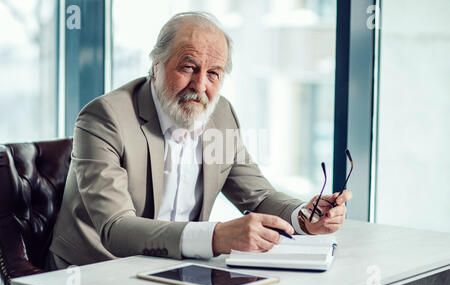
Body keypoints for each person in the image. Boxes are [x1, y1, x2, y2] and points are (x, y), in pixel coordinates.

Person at [48, 11, 352, 269]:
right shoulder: (105, 117)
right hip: (97, 271)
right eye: (188, 67)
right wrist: (216, 237)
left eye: (214, 73)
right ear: (156, 65)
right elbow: (116, 229)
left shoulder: (221, 115)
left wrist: (305, 217)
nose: (200, 85)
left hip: (176, 269)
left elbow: (258, 196)